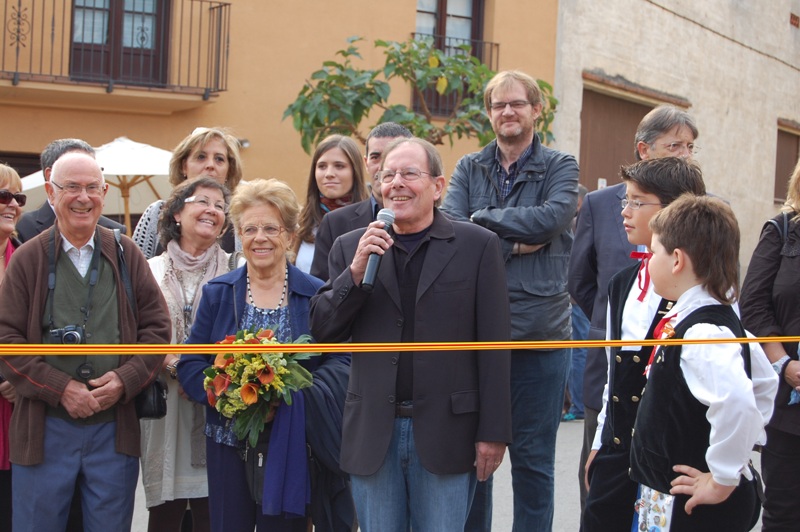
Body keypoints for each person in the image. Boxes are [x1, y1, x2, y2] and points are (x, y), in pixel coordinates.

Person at [310, 137, 512, 532]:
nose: (396, 183)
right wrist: (354, 275)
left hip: (448, 433)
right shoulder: (351, 247)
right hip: (373, 434)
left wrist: (493, 432)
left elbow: (494, 346)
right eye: (388, 175)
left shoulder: (477, 246)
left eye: (409, 173)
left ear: (437, 187)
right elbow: (321, 330)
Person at [0, 152, 171, 531]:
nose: (83, 197)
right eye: (71, 187)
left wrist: (124, 380)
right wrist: (59, 388)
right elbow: (5, 340)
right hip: (44, 428)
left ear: (105, 192)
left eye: (92, 188)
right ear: (50, 192)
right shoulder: (27, 259)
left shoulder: (128, 254)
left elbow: (158, 331)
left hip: (114, 429)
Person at [440, 69, 578, 531]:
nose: (508, 112)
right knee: (477, 459)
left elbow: (553, 218)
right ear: (489, 113)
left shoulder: (561, 166)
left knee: (535, 462)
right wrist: (513, 242)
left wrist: (485, 226)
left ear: (536, 109)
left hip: (540, 337)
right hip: (477, 336)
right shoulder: (468, 167)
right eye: (499, 105)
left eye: (517, 103)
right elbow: (455, 229)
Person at [178, 178, 350, 532]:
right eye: (250, 228)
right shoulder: (218, 293)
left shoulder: (315, 293)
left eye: (271, 228)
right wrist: (227, 394)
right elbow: (192, 364)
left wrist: (295, 395)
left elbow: (341, 361)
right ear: (239, 234)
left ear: (288, 234)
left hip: (294, 445)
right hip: (227, 443)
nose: (260, 238)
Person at [567, 104, 699, 512]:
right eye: (674, 145)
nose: (685, 155)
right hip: (612, 371)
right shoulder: (602, 204)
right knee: (602, 488)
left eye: (690, 147)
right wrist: (619, 323)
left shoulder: (704, 214)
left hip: (676, 389)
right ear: (644, 149)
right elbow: (581, 281)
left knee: (659, 497)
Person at [629, 194, 777, 530]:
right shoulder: (709, 321)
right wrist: (741, 448)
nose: (649, 261)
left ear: (677, 260)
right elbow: (765, 384)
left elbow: (739, 401)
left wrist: (724, 475)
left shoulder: (704, 332)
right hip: (673, 497)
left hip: (692, 506)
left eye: (654, 252)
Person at [140, 177, 235, 531]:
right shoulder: (148, 270)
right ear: (177, 212)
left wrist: (206, 377)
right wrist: (181, 368)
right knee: (166, 508)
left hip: (221, 402)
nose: (212, 210)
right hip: (165, 404)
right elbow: (139, 331)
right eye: (203, 201)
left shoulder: (237, 269)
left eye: (220, 206)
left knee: (217, 505)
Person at [740, 156, 800, 531]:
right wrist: (784, 364)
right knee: (783, 512)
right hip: (790, 405)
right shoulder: (781, 230)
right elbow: (754, 304)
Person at [310, 122, 412, 281]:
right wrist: (354, 275)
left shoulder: (443, 225)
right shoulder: (335, 223)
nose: (383, 166)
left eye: (393, 155)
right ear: (366, 163)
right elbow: (322, 298)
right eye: (376, 157)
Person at [133, 127, 244, 258]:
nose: (210, 165)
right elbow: (133, 271)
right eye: (201, 157)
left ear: (229, 170)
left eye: (219, 159)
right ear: (183, 166)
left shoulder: (242, 219)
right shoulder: (156, 213)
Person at [16, 138, 127, 242]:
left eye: (92, 186)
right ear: (50, 176)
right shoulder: (21, 226)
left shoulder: (115, 233)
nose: (84, 198)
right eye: (73, 186)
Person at [293, 135, 368, 273]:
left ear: (354, 171)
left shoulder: (372, 221)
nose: (329, 173)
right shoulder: (300, 223)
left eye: (339, 166)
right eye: (322, 166)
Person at [0, 163, 24, 532]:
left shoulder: (23, 257)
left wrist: (22, 376)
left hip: (20, 405)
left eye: (18, 197)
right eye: (3, 196)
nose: (14, 205)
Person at [563, 184, 589, 422]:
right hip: (578, 296)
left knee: (578, 350)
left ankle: (578, 406)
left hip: (575, 297)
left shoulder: (576, 224)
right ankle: (577, 404)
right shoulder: (578, 223)